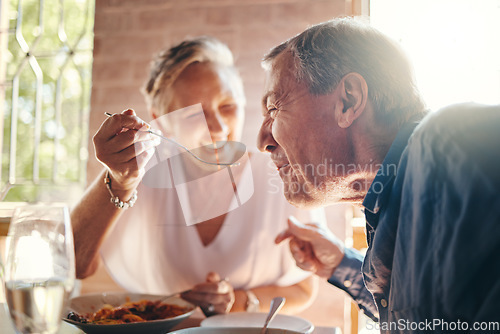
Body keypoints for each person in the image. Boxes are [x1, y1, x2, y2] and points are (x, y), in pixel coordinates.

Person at [257, 18, 500, 332]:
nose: (263, 140)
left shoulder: (447, 146)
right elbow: (427, 313)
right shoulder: (397, 200)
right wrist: (340, 264)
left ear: (349, 100)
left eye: (274, 108)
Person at [71, 36, 328, 315]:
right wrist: (119, 181)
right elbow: (76, 264)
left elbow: (303, 290)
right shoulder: (136, 174)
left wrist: (236, 302)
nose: (218, 126)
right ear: (161, 120)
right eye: (194, 114)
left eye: (228, 106)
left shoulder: (282, 177)